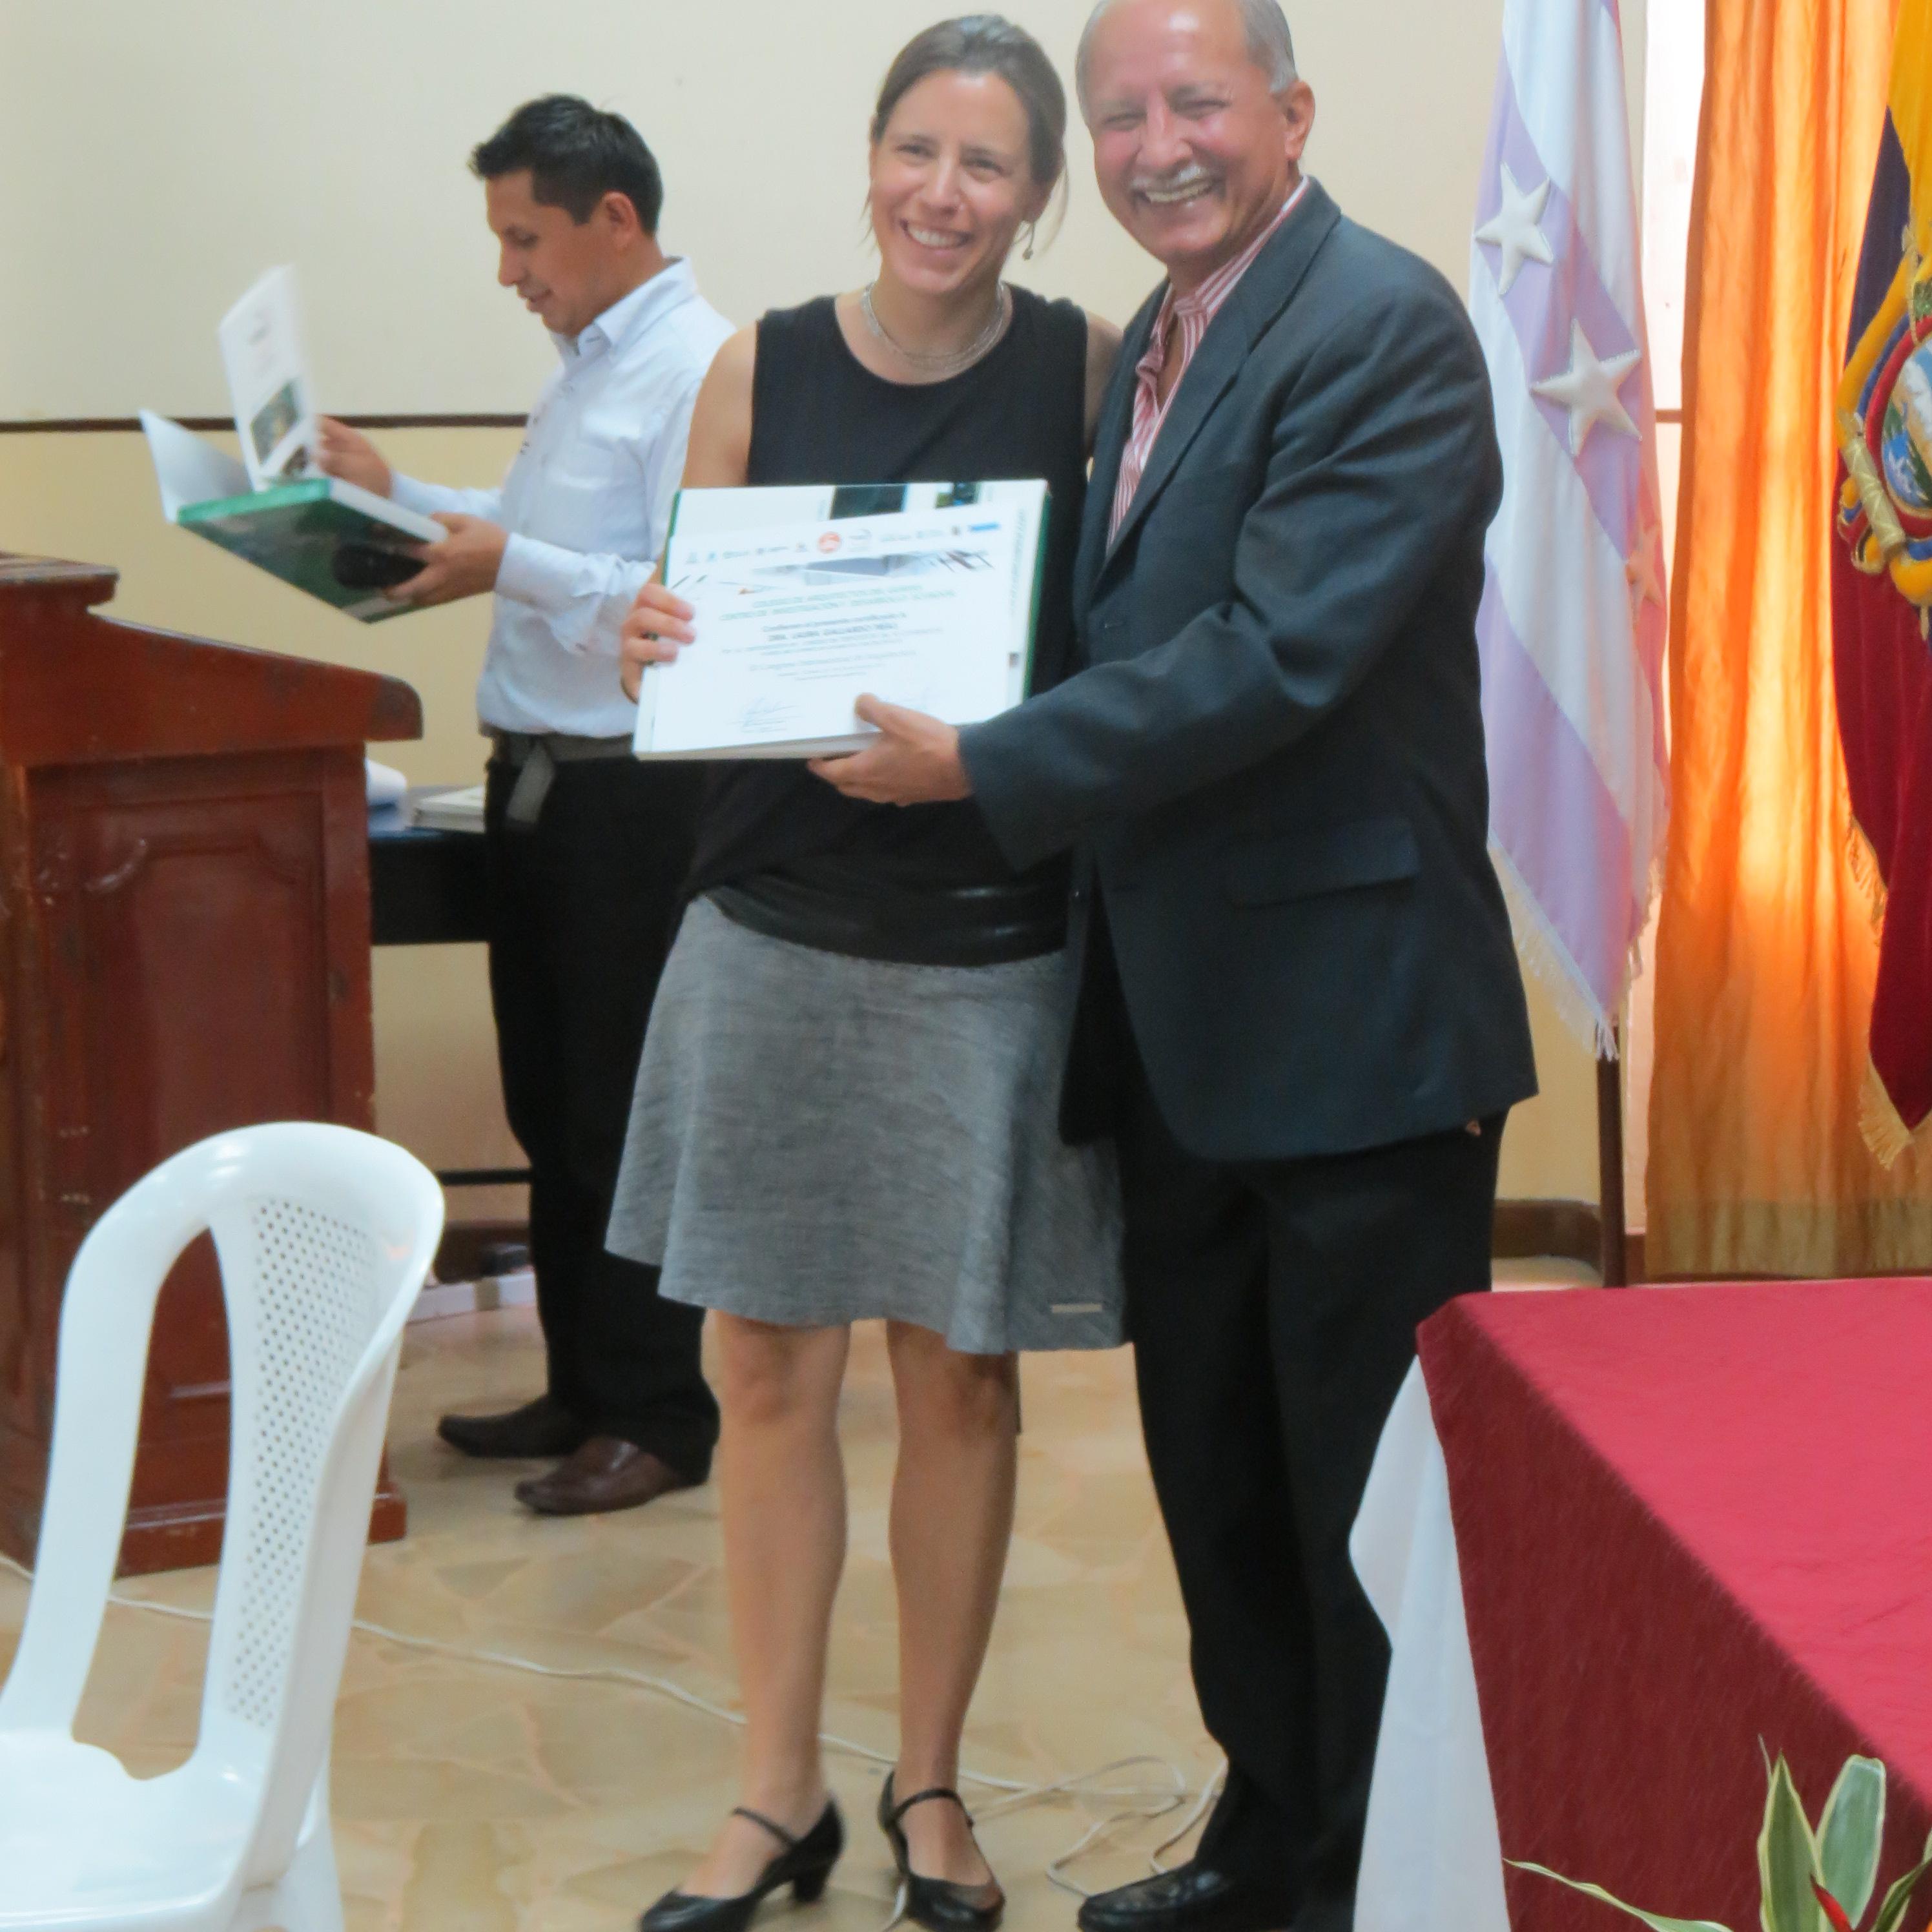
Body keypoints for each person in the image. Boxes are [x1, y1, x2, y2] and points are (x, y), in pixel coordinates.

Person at [811, 3, 1540, 1929]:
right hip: (1181, 1025)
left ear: (1289, 115)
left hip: (1357, 1032)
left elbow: (1273, 656)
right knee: (1220, 1482)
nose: (1155, 147)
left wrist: (984, 763)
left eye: (1195, 103)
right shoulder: (1151, 340)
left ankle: (1383, 1881)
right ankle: (1271, 1844)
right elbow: (1093, 621)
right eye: (1119, 113)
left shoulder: (1378, 325)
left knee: (1356, 1513)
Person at [610, 17, 1124, 1932]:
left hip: (984, 945)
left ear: (1039, 196)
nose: (943, 193)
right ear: (872, 157)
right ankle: (772, 1796)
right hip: (768, 930)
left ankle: (928, 1786)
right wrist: (662, 638)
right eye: (918, 149)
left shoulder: (1086, 366)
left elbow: (1120, 638)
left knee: (960, 1376)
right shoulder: (761, 362)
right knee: (759, 1371)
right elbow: (674, 655)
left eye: (987, 165)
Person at [318, 96, 730, 1517]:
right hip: (539, 782)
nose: (509, 270)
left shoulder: (697, 364)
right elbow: (536, 527)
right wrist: (401, 494)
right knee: (550, 1103)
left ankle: (661, 1412)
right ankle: (583, 1381)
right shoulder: (584, 359)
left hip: (633, 794)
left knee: (622, 1112)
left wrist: (510, 562)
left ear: (613, 220)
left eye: (524, 236)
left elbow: (689, 592)